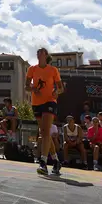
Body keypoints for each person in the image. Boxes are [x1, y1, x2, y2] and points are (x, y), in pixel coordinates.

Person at [26, 48, 64, 176]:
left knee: (46, 132)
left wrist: (56, 92)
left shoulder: (53, 70)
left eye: (42, 52)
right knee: (44, 133)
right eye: (38, 52)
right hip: (36, 103)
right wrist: (33, 88)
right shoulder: (32, 69)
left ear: (46, 55)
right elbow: (27, 86)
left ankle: (43, 161)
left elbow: (60, 88)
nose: (39, 53)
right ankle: (56, 161)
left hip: (50, 101)